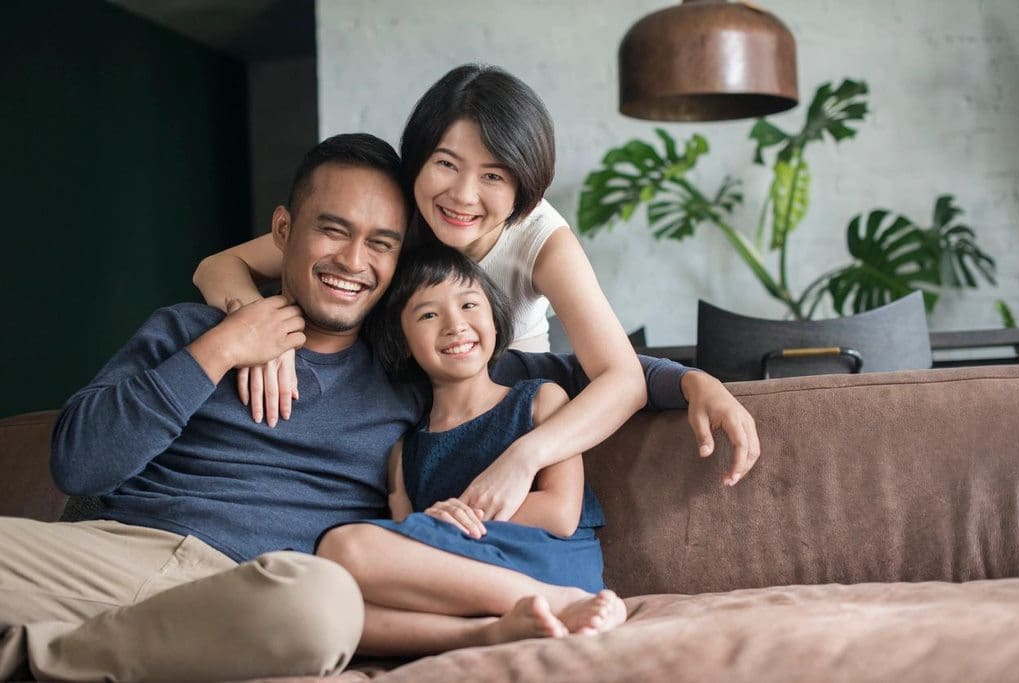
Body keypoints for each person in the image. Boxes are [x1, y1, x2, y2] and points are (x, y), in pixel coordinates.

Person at [0, 133, 659, 682]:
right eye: (333, 231)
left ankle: (36, 652)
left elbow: (585, 371)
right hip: (113, 554)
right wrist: (225, 344)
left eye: (380, 244)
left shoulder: (411, 365)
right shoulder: (186, 328)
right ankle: (75, 652)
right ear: (284, 230)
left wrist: (691, 385)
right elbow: (79, 465)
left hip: (264, 591)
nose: (353, 260)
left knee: (323, 607)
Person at [193, 64, 761, 523]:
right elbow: (219, 267)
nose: (463, 196)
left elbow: (614, 376)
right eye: (446, 164)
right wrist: (261, 332)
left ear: (524, 185)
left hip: (494, 409)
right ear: (417, 161)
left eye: (493, 175)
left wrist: (526, 455)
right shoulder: (395, 215)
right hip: (403, 406)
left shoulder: (541, 241)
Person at [318, 245, 627, 655]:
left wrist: (455, 520)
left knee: (342, 547)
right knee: (329, 611)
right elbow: (407, 547)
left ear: (494, 320)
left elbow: (560, 513)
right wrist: (432, 523)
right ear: (403, 340)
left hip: (549, 563)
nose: (455, 325)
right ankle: (493, 631)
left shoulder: (539, 400)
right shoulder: (405, 450)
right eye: (428, 315)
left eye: (468, 305)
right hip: (463, 583)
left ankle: (559, 603)